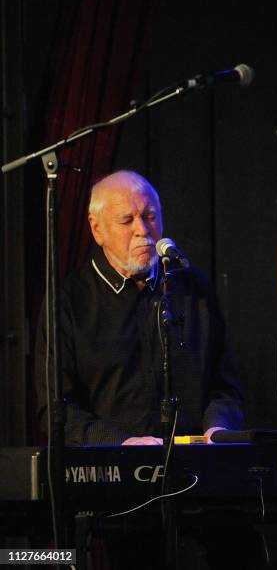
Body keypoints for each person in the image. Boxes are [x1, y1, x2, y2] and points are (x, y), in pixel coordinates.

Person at [35, 170, 243, 446]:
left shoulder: (194, 289)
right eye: (126, 220)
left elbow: (226, 385)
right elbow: (56, 409)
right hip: (110, 472)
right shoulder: (69, 302)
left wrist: (219, 427)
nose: (143, 231)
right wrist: (121, 443)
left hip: (195, 464)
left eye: (150, 216)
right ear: (97, 229)